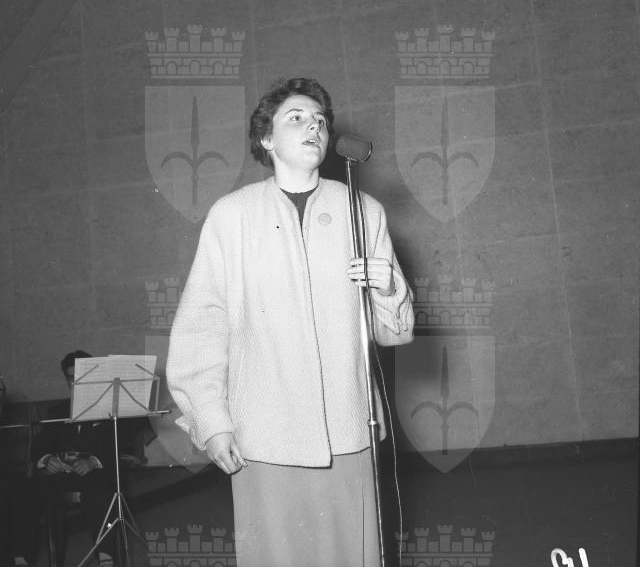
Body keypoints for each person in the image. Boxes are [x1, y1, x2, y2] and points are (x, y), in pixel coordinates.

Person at [166, 77, 414, 567]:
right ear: (266, 138)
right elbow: (202, 325)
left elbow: (394, 332)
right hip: (264, 435)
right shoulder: (231, 216)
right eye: (296, 118)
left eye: (320, 120)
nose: (313, 126)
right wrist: (211, 422)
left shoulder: (363, 211)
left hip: (348, 430)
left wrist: (388, 289)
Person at [9, 351, 117, 567]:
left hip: (97, 474)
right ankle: (21, 558)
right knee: (26, 490)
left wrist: (93, 461)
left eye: (81, 376)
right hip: (63, 475)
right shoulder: (57, 410)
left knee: (99, 492)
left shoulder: (110, 409)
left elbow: (118, 444)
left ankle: (106, 556)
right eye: (70, 378)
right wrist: (46, 458)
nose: (76, 382)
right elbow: (41, 443)